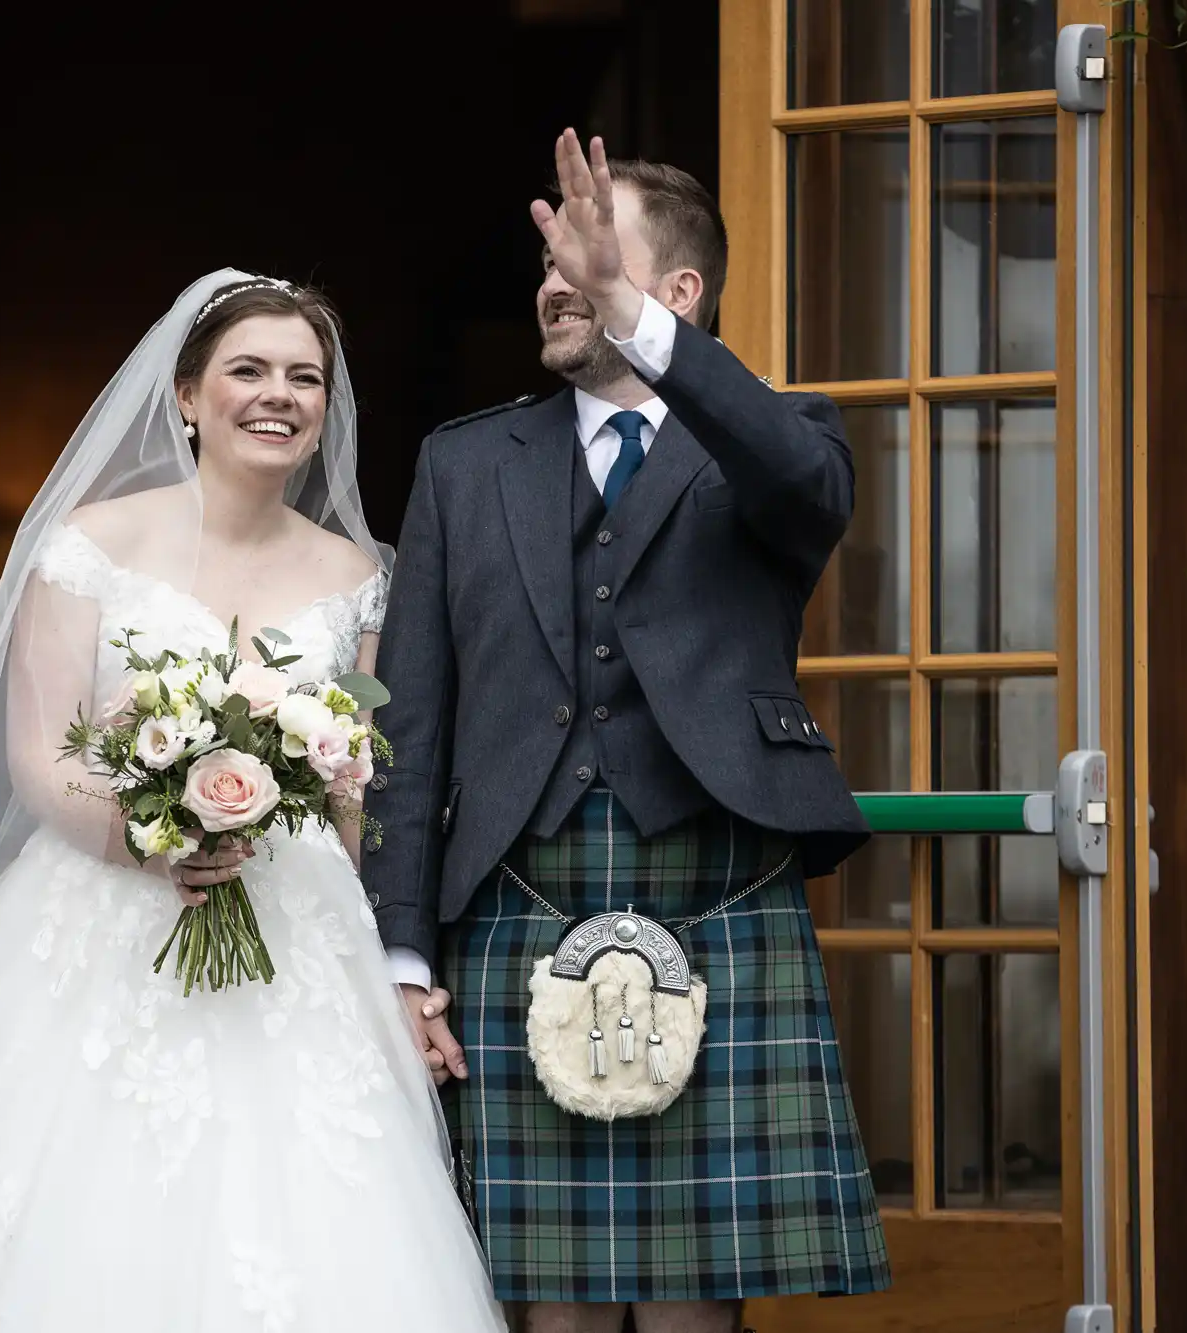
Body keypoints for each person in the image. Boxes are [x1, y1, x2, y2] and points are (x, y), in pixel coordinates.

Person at [0, 272, 506, 1332]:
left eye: (305, 377)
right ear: (187, 395)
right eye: (247, 370)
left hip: (298, 933)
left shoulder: (358, 574)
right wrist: (147, 839)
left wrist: (387, 959)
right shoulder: (88, 545)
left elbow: (359, 783)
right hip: (98, 917)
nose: (276, 395)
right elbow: (37, 754)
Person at [363, 133, 892, 1333]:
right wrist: (400, 952)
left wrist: (636, 325)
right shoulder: (462, 463)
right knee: (546, 1307)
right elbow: (412, 723)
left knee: (691, 1306)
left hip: (715, 892)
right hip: (516, 899)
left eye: (587, 252)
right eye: (545, 254)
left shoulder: (774, 438)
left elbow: (799, 485)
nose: (554, 275)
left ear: (679, 292)